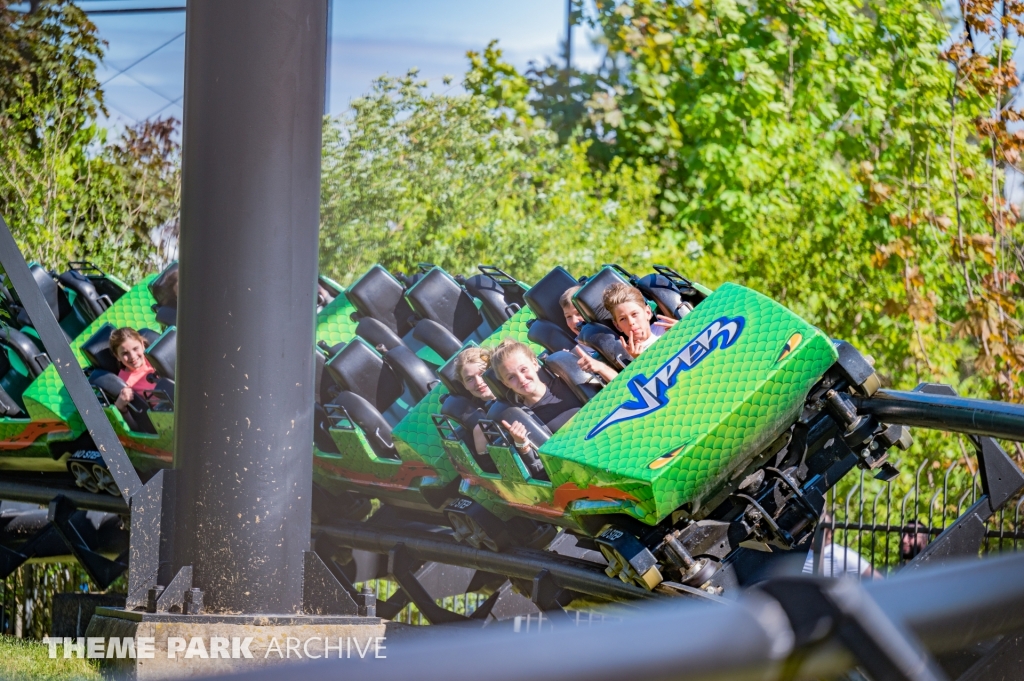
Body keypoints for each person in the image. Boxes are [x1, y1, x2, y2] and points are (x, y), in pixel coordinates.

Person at [490, 338, 582, 461]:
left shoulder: (568, 382)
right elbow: (541, 468)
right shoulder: (521, 419)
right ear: (506, 383)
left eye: (523, 369)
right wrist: (522, 445)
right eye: (511, 377)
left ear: (534, 364)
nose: (522, 379)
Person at [574, 282, 678, 382]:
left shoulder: (667, 326)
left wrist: (685, 329)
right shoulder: (625, 355)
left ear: (647, 312)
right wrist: (640, 360)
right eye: (623, 319)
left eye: (634, 314)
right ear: (617, 326)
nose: (631, 322)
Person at [802, 513, 880, 579]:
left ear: (831, 533)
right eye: (812, 526)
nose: (813, 531)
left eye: (819, 528)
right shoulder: (801, 550)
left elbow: (878, 580)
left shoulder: (841, 555)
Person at [452, 346, 495, 457]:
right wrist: (483, 449)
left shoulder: (517, 390)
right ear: (464, 385)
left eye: (481, 374)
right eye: (469, 379)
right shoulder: (475, 418)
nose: (478, 382)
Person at [108, 327, 157, 412]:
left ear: (142, 345)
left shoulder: (155, 356)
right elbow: (136, 420)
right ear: (117, 357)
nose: (133, 356)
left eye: (135, 348)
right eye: (125, 353)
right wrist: (120, 407)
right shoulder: (124, 383)